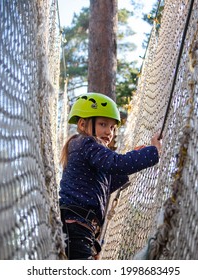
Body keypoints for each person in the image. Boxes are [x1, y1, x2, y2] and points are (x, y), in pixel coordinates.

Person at [59, 92, 162, 259]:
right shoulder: (87, 143)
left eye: (113, 127)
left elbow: (104, 184)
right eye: (102, 124)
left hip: (79, 227)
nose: (109, 131)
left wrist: (133, 156)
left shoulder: (82, 147)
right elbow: (117, 163)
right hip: (76, 228)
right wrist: (152, 152)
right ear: (83, 123)